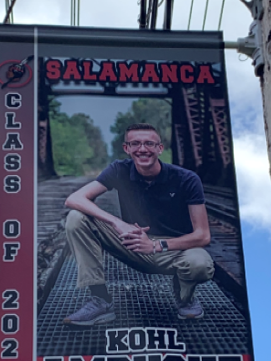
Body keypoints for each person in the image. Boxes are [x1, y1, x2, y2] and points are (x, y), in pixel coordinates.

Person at [62, 122, 214, 325]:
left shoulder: (186, 179)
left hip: (172, 250)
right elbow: (75, 198)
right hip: (131, 242)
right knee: (75, 217)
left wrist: (156, 245)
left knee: (200, 264)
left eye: (149, 144)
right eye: (135, 143)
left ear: (160, 148)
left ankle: (185, 299)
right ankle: (100, 300)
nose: (142, 149)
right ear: (127, 148)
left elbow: (203, 235)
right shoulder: (119, 170)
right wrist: (117, 222)